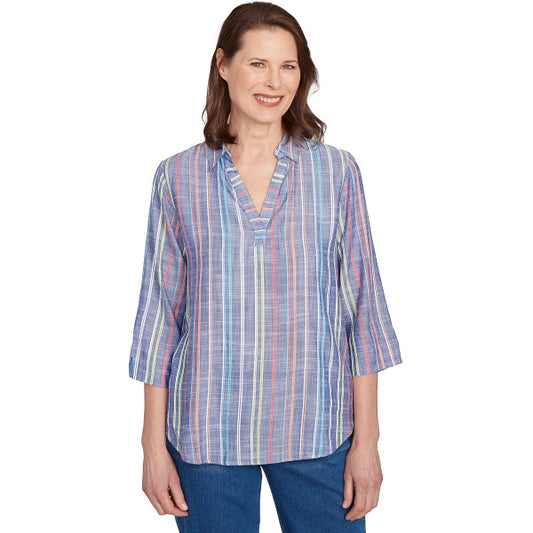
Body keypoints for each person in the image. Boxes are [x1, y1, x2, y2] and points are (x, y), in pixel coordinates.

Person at [128, 2, 402, 531]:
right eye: (258, 64)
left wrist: (367, 442)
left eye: (288, 66)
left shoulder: (337, 172)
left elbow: (362, 312)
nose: (274, 81)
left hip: (318, 426)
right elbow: (160, 318)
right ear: (223, 64)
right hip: (207, 433)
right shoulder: (177, 177)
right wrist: (151, 446)